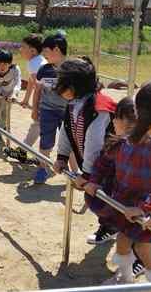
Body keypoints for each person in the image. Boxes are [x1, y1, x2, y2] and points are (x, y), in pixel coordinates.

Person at [85, 82, 151, 285]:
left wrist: (144, 209)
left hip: (145, 213)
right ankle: (125, 278)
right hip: (125, 207)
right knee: (123, 243)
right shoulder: (127, 141)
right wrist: (93, 181)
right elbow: (104, 162)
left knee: (142, 249)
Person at [52, 58, 117, 244]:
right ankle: (111, 225)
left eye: (61, 81)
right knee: (97, 198)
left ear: (73, 86)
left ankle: (113, 227)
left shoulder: (99, 108)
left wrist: (88, 175)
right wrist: (62, 156)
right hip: (93, 164)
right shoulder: (74, 103)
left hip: (111, 165)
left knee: (100, 198)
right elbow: (66, 128)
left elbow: (94, 143)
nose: (58, 85)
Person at [31, 32, 68, 184]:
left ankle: (74, 173)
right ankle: (42, 167)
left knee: (69, 141)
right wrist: (35, 109)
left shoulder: (71, 70)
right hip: (48, 109)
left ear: (57, 50)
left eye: (46, 52)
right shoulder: (44, 70)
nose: (44, 55)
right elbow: (38, 90)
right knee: (46, 139)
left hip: (67, 111)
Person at [4, 34, 46, 163]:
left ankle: (29, 153)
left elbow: (35, 86)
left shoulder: (34, 63)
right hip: (48, 99)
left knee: (38, 125)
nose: (20, 50)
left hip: (47, 101)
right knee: (38, 126)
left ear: (32, 50)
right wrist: (26, 100)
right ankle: (25, 152)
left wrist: (33, 105)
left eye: (23, 47)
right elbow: (32, 83)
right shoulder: (38, 60)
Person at [0, 49, 21, 139]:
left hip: (11, 92)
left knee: (5, 111)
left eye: (5, 64)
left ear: (10, 64)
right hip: (0, 93)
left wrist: (14, 94)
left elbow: (18, 82)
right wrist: (1, 93)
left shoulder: (15, 69)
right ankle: (3, 126)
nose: (2, 67)